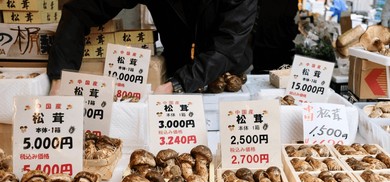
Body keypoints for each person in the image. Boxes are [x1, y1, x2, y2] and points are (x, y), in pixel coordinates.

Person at [47, 0, 258, 95]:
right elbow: (80, 11)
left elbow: (228, 47)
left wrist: (177, 84)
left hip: (226, 79)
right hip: (174, 71)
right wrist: (60, 77)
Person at [251, 0, 299, 74]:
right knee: (280, 79)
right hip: (280, 49)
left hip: (260, 47)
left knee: (258, 76)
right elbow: (289, 21)